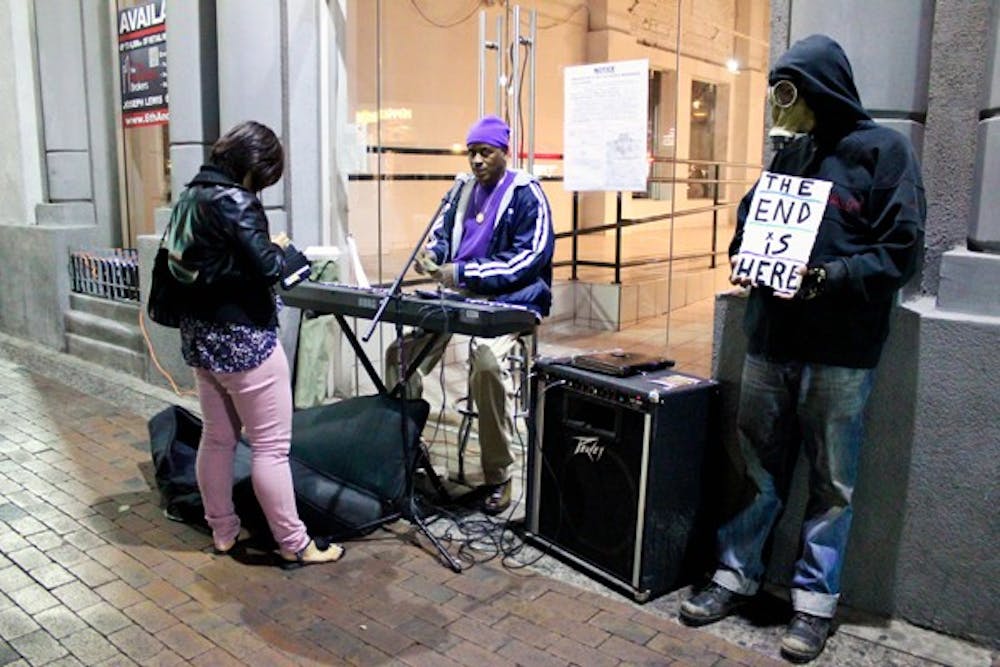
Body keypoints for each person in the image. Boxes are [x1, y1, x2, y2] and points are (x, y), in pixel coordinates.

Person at [679, 35, 925, 663]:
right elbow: (749, 221)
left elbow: (901, 252)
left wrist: (829, 277)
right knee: (758, 470)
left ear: (817, 90)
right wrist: (745, 255)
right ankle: (735, 576)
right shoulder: (788, 157)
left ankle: (813, 605)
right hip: (771, 342)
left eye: (786, 91)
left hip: (841, 353)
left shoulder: (884, 153)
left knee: (832, 484)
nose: (777, 105)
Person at [165, 120, 344, 567]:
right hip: (245, 342)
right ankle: (295, 542)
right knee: (270, 447)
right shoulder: (236, 200)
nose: (262, 188)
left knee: (218, 437)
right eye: (265, 177)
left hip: (201, 340)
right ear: (254, 167)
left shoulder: (190, 196)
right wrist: (279, 247)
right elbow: (268, 268)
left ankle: (223, 530)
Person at [385, 115, 555, 515]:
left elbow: (529, 258)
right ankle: (407, 455)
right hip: (461, 296)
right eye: (472, 153)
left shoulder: (527, 193)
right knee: (400, 355)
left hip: (512, 300)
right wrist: (434, 255)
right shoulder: (461, 191)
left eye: (485, 152)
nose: (477, 160)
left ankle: (499, 474)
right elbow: (443, 236)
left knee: (488, 361)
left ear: (503, 152)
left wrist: (464, 272)